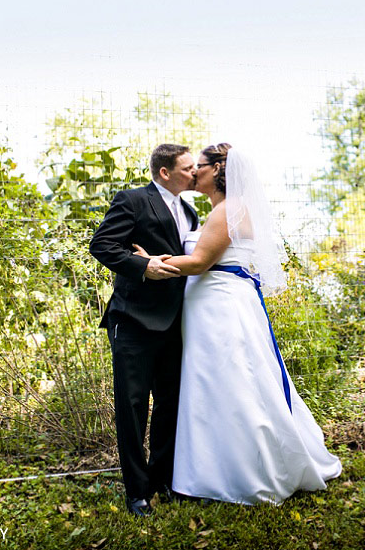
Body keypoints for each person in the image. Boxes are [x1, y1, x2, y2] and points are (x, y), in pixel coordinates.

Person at [134, 143, 342, 505]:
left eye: (199, 165)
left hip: (221, 308)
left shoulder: (230, 210)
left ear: (217, 170)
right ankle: (209, 469)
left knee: (234, 384)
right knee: (215, 386)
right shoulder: (217, 211)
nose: (194, 171)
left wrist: (149, 261)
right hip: (209, 308)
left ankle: (245, 470)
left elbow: (199, 262)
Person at [88, 144, 199, 516]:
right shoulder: (134, 200)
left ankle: (163, 481)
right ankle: (136, 492)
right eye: (187, 168)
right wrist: (142, 265)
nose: (195, 172)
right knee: (133, 408)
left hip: (175, 322)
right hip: (133, 320)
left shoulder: (190, 210)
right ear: (165, 172)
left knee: (170, 405)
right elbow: (102, 245)